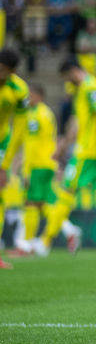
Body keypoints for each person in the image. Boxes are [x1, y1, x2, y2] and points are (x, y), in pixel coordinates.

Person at [41, 58, 96, 261]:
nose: (67, 82)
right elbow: (77, 123)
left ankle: (44, 242)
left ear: (73, 71)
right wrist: (62, 147)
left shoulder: (91, 87)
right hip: (93, 152)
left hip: (87, 153)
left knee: (66, 192)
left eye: (66, 78)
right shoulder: (83, 89)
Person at [17, 85, 81, 255]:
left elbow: (32, 145)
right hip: (47, 164)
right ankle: (69, 230)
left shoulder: (36, 116)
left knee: (30, 202)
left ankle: (27, 245)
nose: (28, 99)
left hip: (38, 165)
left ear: (38, 96)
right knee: (45, 203)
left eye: (30, 95)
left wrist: (26, 169)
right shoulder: (46, 113)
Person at [0, 48, 30, 269]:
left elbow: (19, 130)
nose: (2, 75)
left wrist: (5, 164)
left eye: (6, 71)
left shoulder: (19, 90)